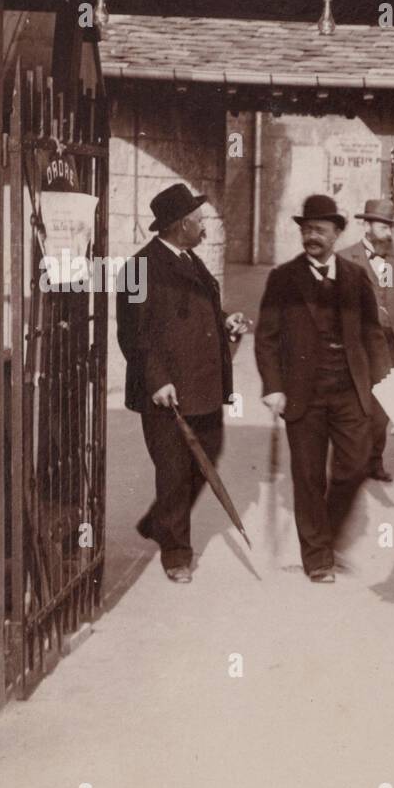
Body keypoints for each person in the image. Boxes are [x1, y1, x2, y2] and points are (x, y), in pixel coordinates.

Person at [255, 194, 390, 583]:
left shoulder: (354, 276)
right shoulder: (282, 278)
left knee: (355, 466)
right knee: (309, 476)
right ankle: (317, 558)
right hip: (303, 394)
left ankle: (325, 536)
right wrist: (273, 386)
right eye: (306, 229)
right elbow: (266, 337)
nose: (312, 236)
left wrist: (385, 386)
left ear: (337, 232)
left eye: (320, 230)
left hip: (349, 389)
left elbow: (372, 334)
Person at [116, 182, 248, 584]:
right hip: (166, 391)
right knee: (173, 471)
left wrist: (225, 318)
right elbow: (133, 336)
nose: (204, 227)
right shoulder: (137, 269)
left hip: (203, 384)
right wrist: (156, 380)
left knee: (209, 452)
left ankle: (161, 521)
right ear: (177, 226)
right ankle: (176, 553)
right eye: (198, 221)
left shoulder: (191, 260)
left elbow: (202, 304)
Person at [338, 198, 394, 482]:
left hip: (388, 342)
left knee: (383, 405)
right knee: (357, 404)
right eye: (383, 226)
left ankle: (374, 461)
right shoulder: (346, 258)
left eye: (390, 227)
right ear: (367, 226)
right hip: (358, 344)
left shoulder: (393, 258)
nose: (388, 233)